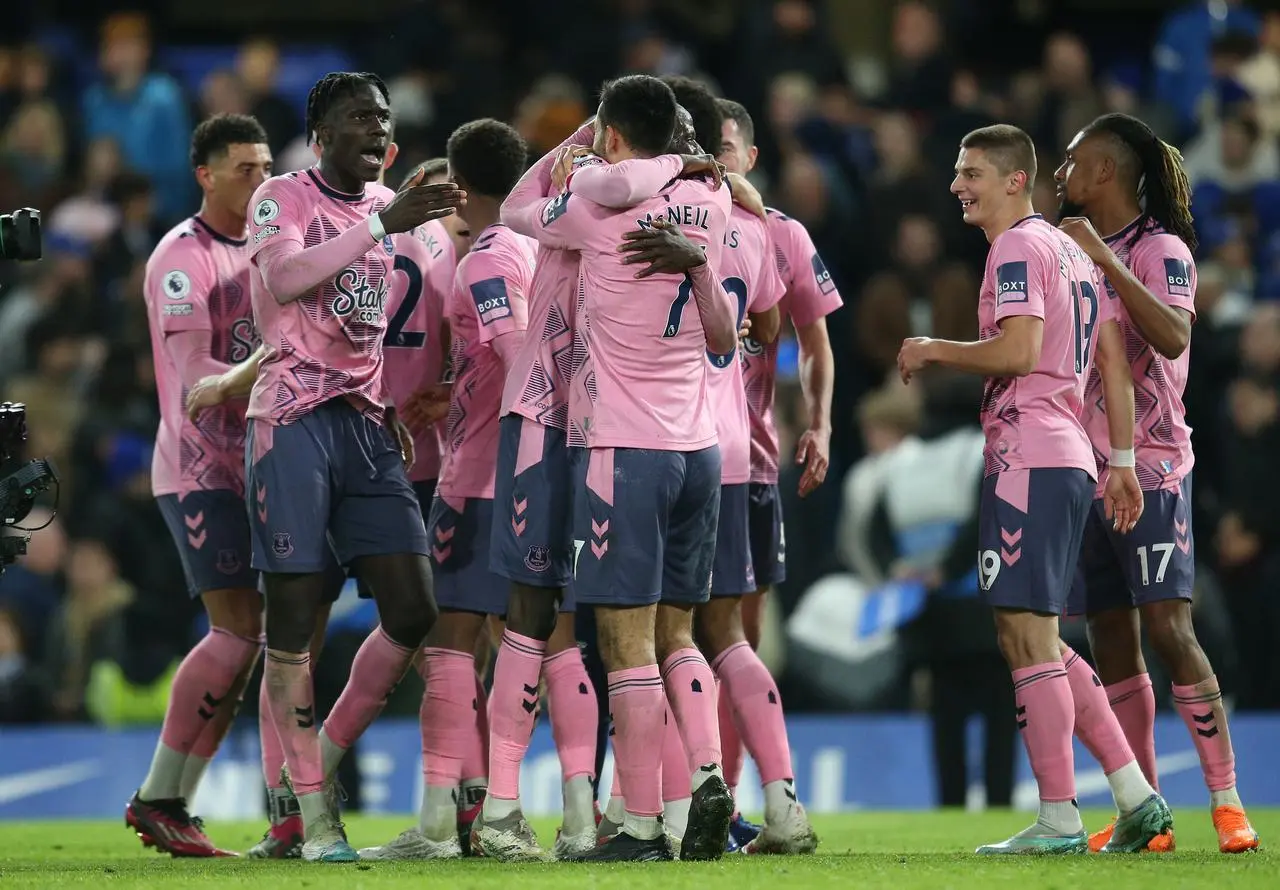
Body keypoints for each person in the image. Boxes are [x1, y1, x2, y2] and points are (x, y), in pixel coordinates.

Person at [896, 124, 1173, 854]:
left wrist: (933, 349)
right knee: (1040, 635)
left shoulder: (1017, 247)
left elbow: (1018, 351)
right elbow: (1110, 357)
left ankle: (1058, 817)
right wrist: (1115, 455)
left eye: (973, 172)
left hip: (1032, 458)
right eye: (958, 171)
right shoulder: (1065, 249)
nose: (958, 184)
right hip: (1064, 456)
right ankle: (1137, 795)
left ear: (1016, 179)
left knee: (1023, 634)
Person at [483, 106, 727, 860]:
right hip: (697, 439)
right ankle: (695, 788)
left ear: (613, 135)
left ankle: (617, 821)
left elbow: (517, 205)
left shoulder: (590, 206)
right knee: (675, 631)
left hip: (601, 432)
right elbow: (730, 338)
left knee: (592, 633)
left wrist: (584, 140)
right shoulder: (715, 204)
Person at [243, 71, 465, 862]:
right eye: (358, 118)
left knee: (412, 607)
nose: (376, 128)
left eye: (382, 117)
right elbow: (285, 278)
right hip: (293, 422)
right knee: (294, 620)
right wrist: (383, 228)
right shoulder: (281, 196)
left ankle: (319, 760)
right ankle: (314, 815)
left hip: (367, 427)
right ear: (322, 134)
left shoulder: (387, 208)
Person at [1055, 112, 1260, 854]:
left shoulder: (1159, 248)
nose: (1061, 173)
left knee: (1170, 628)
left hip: (1154, 467)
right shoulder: (1067, 247)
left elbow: (1173, 335)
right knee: (1111, 636)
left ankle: (1229, 803)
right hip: (1086, 465)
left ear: (1105, 171)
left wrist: (1102, 264)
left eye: (1072, 160)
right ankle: (1149, 813)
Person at [659, 77, 815, 857]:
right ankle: (783, 804)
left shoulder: (640, 217)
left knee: (655, 636)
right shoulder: (753, 226)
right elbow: (767, 325)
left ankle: (680, 806)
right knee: (726, 635)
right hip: (731, 446)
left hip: (655, 443)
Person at [125, 113, 273, 859]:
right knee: (237, 630)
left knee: (251, 638)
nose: (260, 179)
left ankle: (172, 799)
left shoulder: (271, 244)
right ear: (205, 176)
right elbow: (192, 387)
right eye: (243, 168)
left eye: (265, 165)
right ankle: (159, 794)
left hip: (258, 463)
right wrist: (276, 360)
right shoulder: (181, 260)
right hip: (199, 468)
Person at [715, 97, 843, 847]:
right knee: (682, 637)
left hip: (750, 461)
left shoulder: (780, 233)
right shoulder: (670, 224)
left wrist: (820, 422)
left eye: (727, 148)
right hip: (674, 455)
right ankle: (692, 797)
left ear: (752, 158)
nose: (715, 160)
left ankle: (723, 802)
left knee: (736, 638)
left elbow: (813, 342)